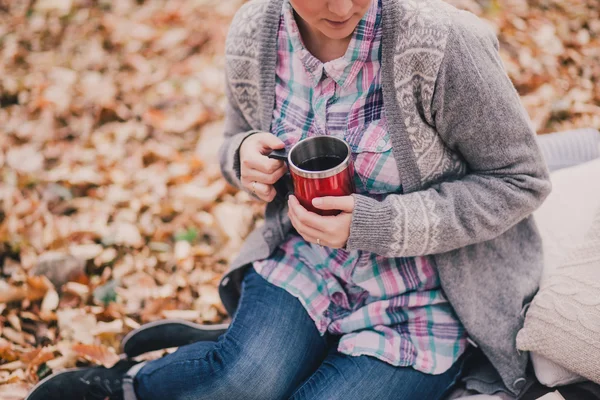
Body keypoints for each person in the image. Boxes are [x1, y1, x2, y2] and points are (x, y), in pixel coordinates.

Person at [28, 0, 551, 399]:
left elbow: (520, 178)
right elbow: (235, 138)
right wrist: (242, 158)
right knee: (243, 380)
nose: (343, 8)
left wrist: (381, 224)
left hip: (424, 299)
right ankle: (128, 384)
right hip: (306, 264)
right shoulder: (255, 34)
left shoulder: (443, 44)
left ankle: (263, 349)